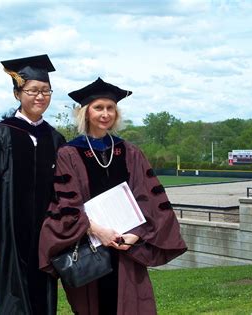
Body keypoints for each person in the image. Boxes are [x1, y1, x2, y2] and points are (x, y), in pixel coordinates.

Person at [39, 77, 187, 315]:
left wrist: (136, 235)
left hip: (125, 248)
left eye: (110, 108)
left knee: (130, 305)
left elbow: (148, 198)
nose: (105, 113)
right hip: (90, 247)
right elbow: (67, 204)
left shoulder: (129, 152)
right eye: (98, 108)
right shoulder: (69, 153)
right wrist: (97, 230)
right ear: (86, 113)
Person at [0, 54, 66, 315]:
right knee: (11, 304)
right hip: (7, 237)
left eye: (46, 91)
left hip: (44, 239)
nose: (40, 96)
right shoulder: (0, 134)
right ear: (17, 94)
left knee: (43, 302)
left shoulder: (56, 139)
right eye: (33, 90)